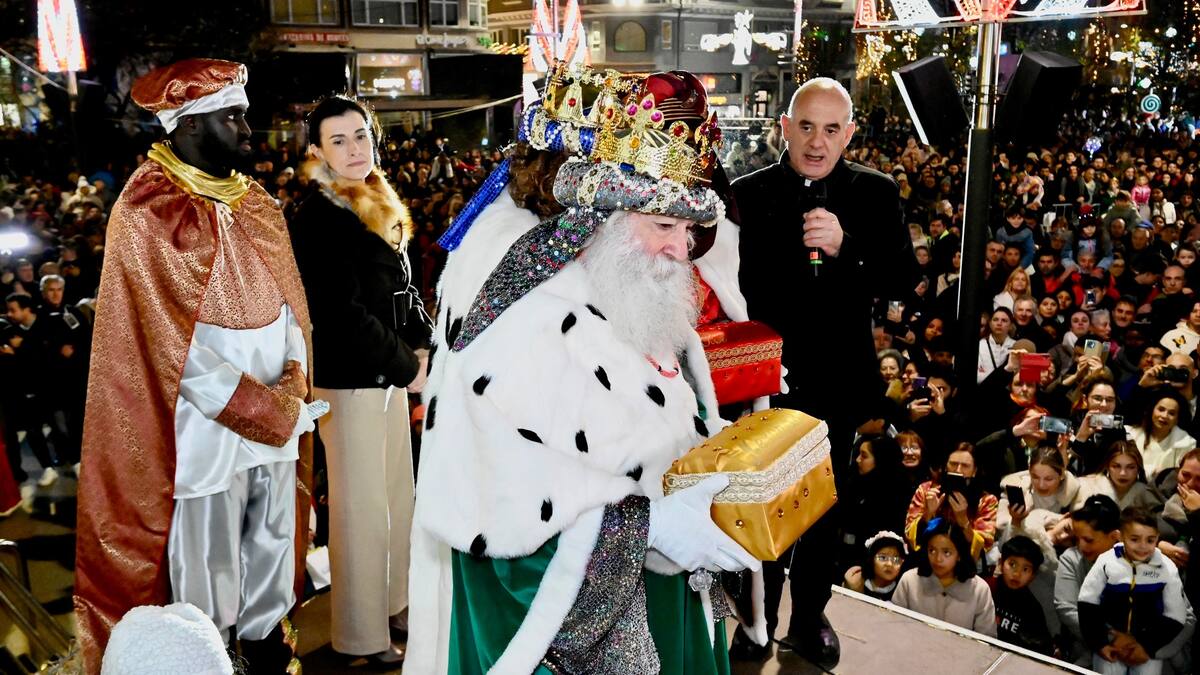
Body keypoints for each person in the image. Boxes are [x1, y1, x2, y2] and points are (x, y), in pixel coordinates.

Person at [406, 69, 761, 675]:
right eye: (664, 226)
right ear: (606, 218)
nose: (682, 250)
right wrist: (648, 527)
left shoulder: (626, 291)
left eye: (689, 229)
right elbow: (498, 509)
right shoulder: (528, 318)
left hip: (667, 602)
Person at [74, 59, 316, 675]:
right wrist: (258, 409)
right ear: (186, 126)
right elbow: (161, 344)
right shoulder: (145, 208)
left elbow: (292, 308)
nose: (247, 128)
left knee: (273, 546)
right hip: (206, 433)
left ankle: (266, 653)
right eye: (231, 117)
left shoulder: (256, 200)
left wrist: (290, 380)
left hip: (278, 424)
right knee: (208, 567)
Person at [732, 76, 918, 667]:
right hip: (763, 381)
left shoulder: (876, 192)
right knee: (758, 504)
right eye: (806, 126)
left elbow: (903, 279)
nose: (817, 142)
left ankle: (809, 618)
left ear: (850, 133)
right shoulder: (746, 193)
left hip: (837, 382)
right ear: (784, 127)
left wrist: (848, 247)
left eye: (831, 129)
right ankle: (754, 620)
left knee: (821, 510)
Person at [289, 95, 433, 666]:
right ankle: (360, 634)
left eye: (361, 136)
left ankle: (395, 604)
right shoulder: (320, 215)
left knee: (398, 497)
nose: (354, 149)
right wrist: (408, 364)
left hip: (388, 374)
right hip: (349, 382)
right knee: (359, 509)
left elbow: (401, 285)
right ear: (318, 150)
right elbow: (339, 313)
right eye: (339, 140)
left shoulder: (376, 195)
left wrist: (423, 344)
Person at [1079, 507, 1187, 674]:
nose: (1143, 546)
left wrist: (1145, 645)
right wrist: (1100, 643)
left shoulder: (1167, 568)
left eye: (1150, 540)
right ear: (1120, 536)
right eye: (1135, 539)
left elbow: (1176, 615)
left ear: (1158, 537)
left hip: (1146, 647)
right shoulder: (1106, 561)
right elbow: (1087, 603)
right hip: (1111, 642)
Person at [892, 518, 996, 635]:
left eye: (946, 552)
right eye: (932, 551)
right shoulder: (909, 580)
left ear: (959, 555)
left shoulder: (979, 589)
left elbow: (987, 640)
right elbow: (893, 627)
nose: (938, 559)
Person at [1055, 495, 1123, 666]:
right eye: (1077, 539)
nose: (1081, 546)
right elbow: (1067, 609)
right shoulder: (1071, 558)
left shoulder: (1136, 561)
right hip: (1087, 647)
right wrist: (1105, 639)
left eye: (1089, 540)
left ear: (1114, 537)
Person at [905, 442, 999, 563]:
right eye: (953, 464)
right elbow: (909, 534)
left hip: (963, 565)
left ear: (974, 471)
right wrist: (928, 514)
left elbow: (984, 546)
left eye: (965, 466)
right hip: (926, 559)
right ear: (945, 466)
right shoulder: (926, 490)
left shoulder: (987, 500)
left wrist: (963, 520)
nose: (958, 470)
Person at [990, 536, 1054, 655]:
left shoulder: (1033, 608)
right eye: (1012, 564)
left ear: (1032, 576)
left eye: (1025, 569)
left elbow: (1040, 648)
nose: (1017, 573)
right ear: (1000, 563)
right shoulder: (986, 588)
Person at [1126, 388, 1196, 482]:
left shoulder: (1187, 443)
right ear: (1152, 410)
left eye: (1171, 413)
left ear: (1177, 418)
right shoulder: (1130, 434)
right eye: (1161, 409)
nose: (1164, 416)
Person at [842, 531, 906, 602]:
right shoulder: (856, 582)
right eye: (883, 558)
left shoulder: (902, 593)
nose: (889, 564)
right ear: (871, 559)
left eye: (896, 559)